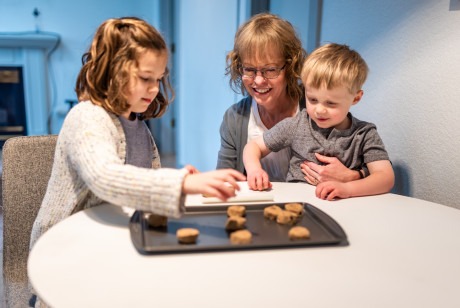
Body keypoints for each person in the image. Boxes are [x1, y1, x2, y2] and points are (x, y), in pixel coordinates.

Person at [29, 17, 245, 307]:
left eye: (158, 79)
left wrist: (176, 176)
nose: (155, 88)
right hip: (67, 254)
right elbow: (107, 177)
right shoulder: (87, 117)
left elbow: (140, 182)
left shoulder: (137, 124)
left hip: (111, 241)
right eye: (146, 79)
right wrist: (182, 183)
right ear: (114, 71)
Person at [216, 13, 363, 185]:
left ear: (290, 66)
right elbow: (225, 180)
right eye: (249, 69)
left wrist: (354, 176)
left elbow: (373, 164)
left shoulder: (316, 107)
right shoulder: (235, 118)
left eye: (270, 70)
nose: (258, 80)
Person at [243, 43, 394, 200]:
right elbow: (253, 146)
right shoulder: (297, 124)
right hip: (298, 204)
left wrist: (347, 188)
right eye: (313, 99)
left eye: (331, 103)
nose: (319, 110)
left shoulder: (364, 134)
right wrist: (254, 170)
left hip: (346, 208)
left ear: (356, 98)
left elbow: (385, 177)